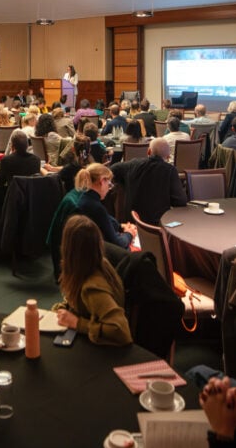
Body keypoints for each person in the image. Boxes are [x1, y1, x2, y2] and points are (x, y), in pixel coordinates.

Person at [53, 215, 132, 346]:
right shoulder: (97, 263)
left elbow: (121, 331)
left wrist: (77, 323)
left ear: (68, 249)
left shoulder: (92, 288)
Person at [109, 138, 187, 225]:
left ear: (148, 151)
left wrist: (125, 183)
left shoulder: (132, 164)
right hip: (157, 225)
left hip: (132, 222)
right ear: (168, 157)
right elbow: (180, 201)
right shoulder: (170, 170)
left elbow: (112, 169)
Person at [70, 163, 136, 249]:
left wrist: (122, 227)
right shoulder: (96, 207)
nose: (109, 189)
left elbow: (107, 220)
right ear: (102, 181)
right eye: (109, 185)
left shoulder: (86, 198)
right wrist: (130, 233)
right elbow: (119, 243)